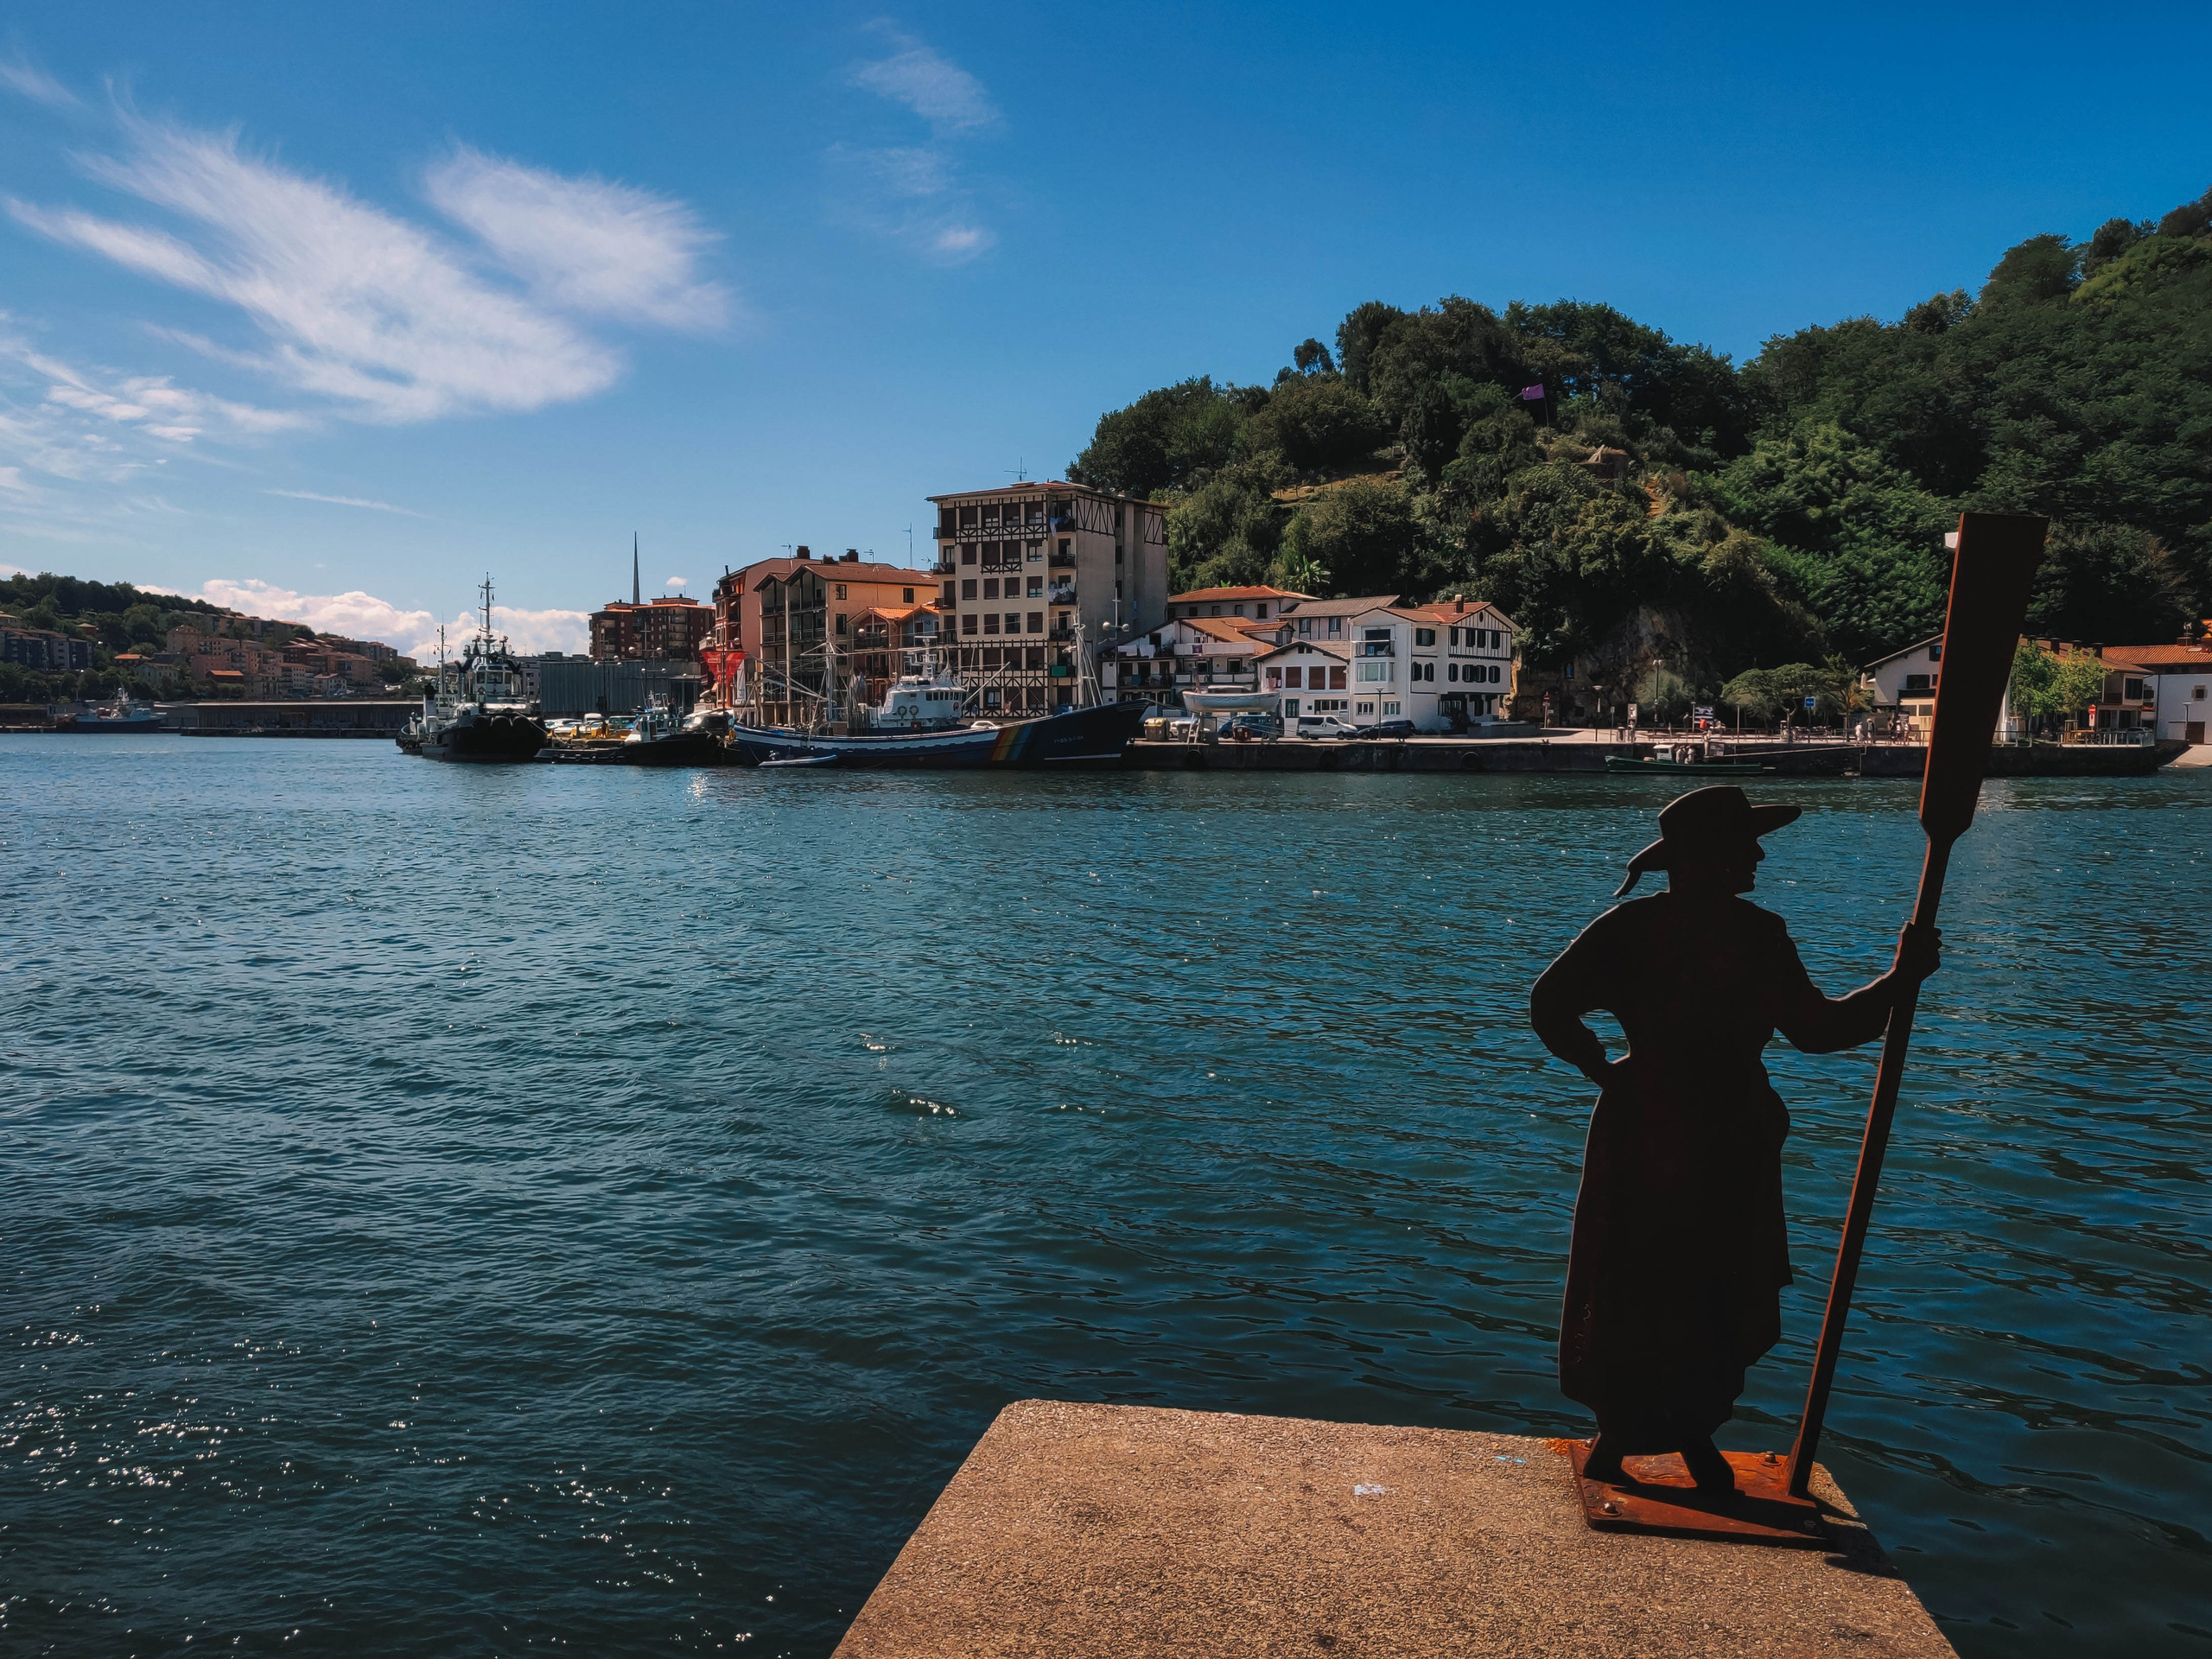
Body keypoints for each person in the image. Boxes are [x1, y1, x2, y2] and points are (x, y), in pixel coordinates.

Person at [1529, 786, 1941, 1494]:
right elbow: (1820, 1030)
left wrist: (1609, 1075)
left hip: (1646, 1122)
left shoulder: (1630, 929)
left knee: (1639, 1273)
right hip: (1723, 1131)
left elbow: (1549, 1006)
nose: (1756, 854)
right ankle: (1667, 1432)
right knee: (1709, 1280)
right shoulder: (1756, 935)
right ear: (1710, 858)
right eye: (1743, 843)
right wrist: (1900, 982)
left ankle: (1639, 1434)